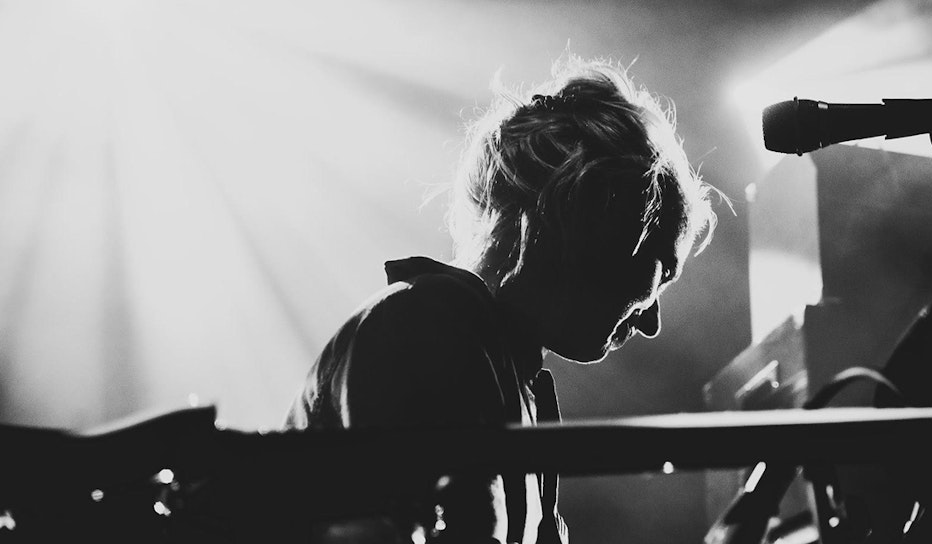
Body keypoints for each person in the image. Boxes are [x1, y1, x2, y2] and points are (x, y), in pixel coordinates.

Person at [285, 54, 717, 544]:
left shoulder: (502, 371)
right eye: (660, 270)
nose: (652, 320)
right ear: (587, 223)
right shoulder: (428, 325)